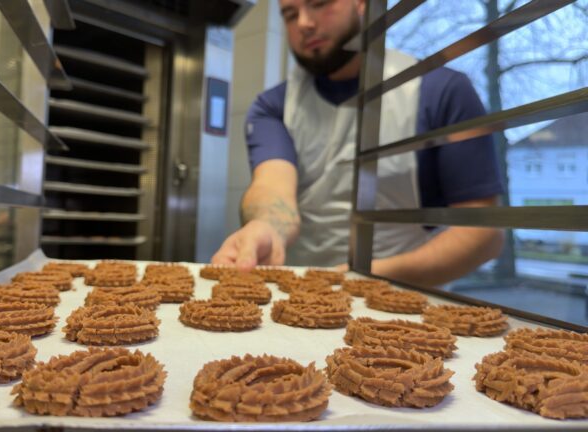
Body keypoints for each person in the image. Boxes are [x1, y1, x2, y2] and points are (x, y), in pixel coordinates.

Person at [211, 0, 505, 287]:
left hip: (406, 305)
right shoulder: (273, 107)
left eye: (319, 4)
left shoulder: (440, 93)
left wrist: (366, 278)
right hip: (298, 296)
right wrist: (266, 228)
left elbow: (482, 234)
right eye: (289, 14)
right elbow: (272, 186)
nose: (304, 23)